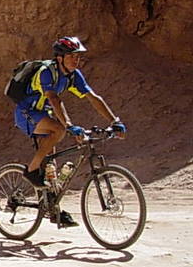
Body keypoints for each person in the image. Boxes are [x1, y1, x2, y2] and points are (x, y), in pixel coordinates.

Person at [14, 36, 126, 227]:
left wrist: (115, 121)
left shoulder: (73, 75)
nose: (76, 60)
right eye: (72, 56)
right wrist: (68, 125)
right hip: (26, 113)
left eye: (78, 57)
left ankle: (53, 210)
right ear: (60, 58)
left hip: (43, 114)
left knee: (51, 167)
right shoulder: (47, 72)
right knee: (59, 130)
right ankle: (31, 170)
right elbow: (54, 99)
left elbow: (93, 97)